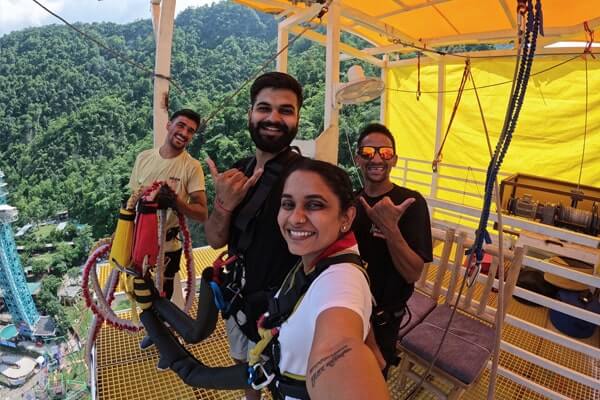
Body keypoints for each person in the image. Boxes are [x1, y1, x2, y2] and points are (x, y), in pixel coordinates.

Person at [134, 159, 390, 400]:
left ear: (347, 217)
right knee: (192, 370)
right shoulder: (320, 258)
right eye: (288, 204)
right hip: (275, 369)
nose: (296, 217)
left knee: (192, 368)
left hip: (279, 373)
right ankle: (153, 305)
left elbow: (339, 346)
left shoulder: (340, 282)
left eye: (314, 205)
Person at [204, 72, 304, 399]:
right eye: (264, 108)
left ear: (298, 119)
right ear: (250, 114)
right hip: (240, 299)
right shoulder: (237, 173)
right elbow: (216, 238)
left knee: (282, 382)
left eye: (285, 110)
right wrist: (223, 205)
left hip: (284, 312)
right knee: (246, 368)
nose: (273, 118)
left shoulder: (305, 180)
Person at [352, 123, 433, 377]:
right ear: (357, 159)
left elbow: (412, 273)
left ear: (394, 160)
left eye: (385, 153)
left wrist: (390, 229)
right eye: (368, 152)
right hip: (349, 307)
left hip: (383, 316)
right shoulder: (351, 203)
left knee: (372, 378)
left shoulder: (412, 203)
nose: (376, 158)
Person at [129, 108, 208, 353]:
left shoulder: (191, 167)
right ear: (169, 125)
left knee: (164, 295)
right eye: (181, 125)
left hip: (168, 246)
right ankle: (155, 334)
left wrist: (175, 202)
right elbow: (132, 198)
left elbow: (202, 213)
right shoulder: (144, 158)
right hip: (140, 241)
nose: (184, 133)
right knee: (142, 292)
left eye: (190, 131)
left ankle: (169, 345)